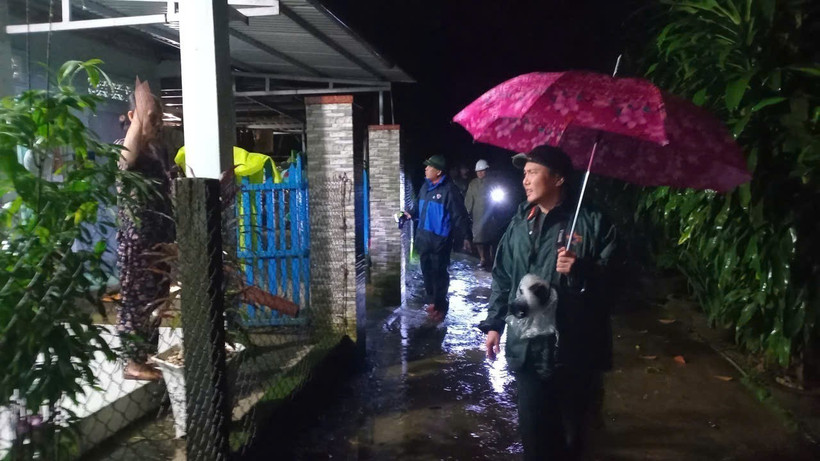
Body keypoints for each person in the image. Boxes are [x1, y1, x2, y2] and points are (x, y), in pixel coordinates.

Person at [479, 145, 617, 460]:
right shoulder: (519, 222)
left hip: (574, 353)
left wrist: (582, 269)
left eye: (532, 173)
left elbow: (620, 282)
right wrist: (494, 325)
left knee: (573, 441)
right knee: (535, 439)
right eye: (524, 174)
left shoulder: (593, 222)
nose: (525, 181)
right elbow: (502, 276)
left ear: (557, 178)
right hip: (527, 351)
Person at [116, 80, 175, 381]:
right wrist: (141, 117)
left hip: (160, 239)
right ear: (132, 117)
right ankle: (132, 361)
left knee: (156, 300)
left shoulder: (158, 152)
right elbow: (125, 163)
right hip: (139, 241)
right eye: (151, 117)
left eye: (159, 117)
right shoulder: (129, 148)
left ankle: (145, 356)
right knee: (137, 300)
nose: (157, 123)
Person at [404, 155, 472, 322]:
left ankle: (441, 306)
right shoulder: (425, 188)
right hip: (423, 238)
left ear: (439, 171)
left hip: (440, 241)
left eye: (429, 167)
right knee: (427, 272)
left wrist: (466, 237)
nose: (426, 169)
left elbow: (460, 216)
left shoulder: (449, 190)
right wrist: (409, 214)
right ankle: (432, 302)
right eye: (426, 166)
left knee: (439, 275)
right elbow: (419, 209)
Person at [464, 159, 501, 270]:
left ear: (487, 170)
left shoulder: (493, 182)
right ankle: (483, 258)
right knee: (478, 238)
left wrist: (498, 210)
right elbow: (469, 198)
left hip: (491, 214)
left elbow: (499, 197)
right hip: (477, 214)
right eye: (478, 171)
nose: (480, 173)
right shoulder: (473, 183)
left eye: (482, 171)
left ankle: (492, 258)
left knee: (491, 238)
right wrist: (467, 211)